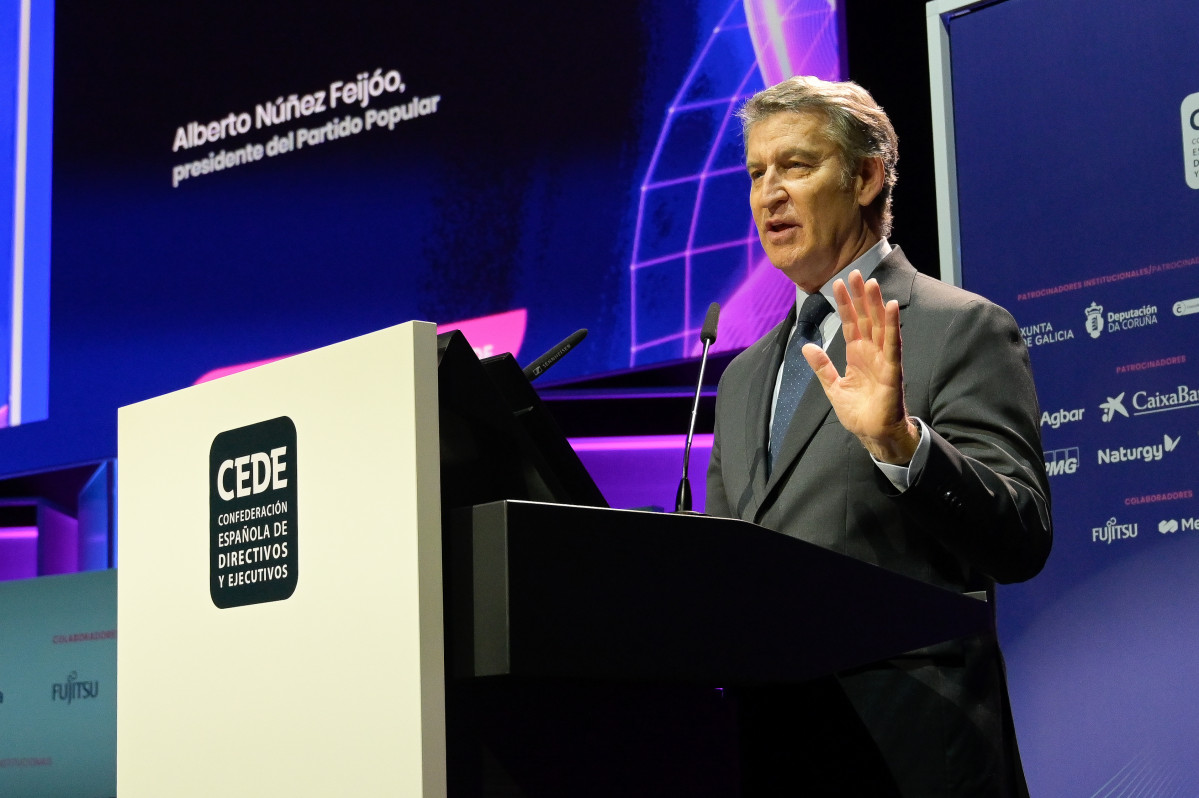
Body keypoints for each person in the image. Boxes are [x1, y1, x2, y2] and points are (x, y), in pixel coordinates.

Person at [705, 76, 1052, 796]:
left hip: (911, 752)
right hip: (769, 746)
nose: (768, 193)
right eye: (755, 173)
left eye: (796, 166)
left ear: (865, 177)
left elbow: (1020, 534)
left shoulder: (958, 326)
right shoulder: (739, 379)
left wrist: (901, 446)